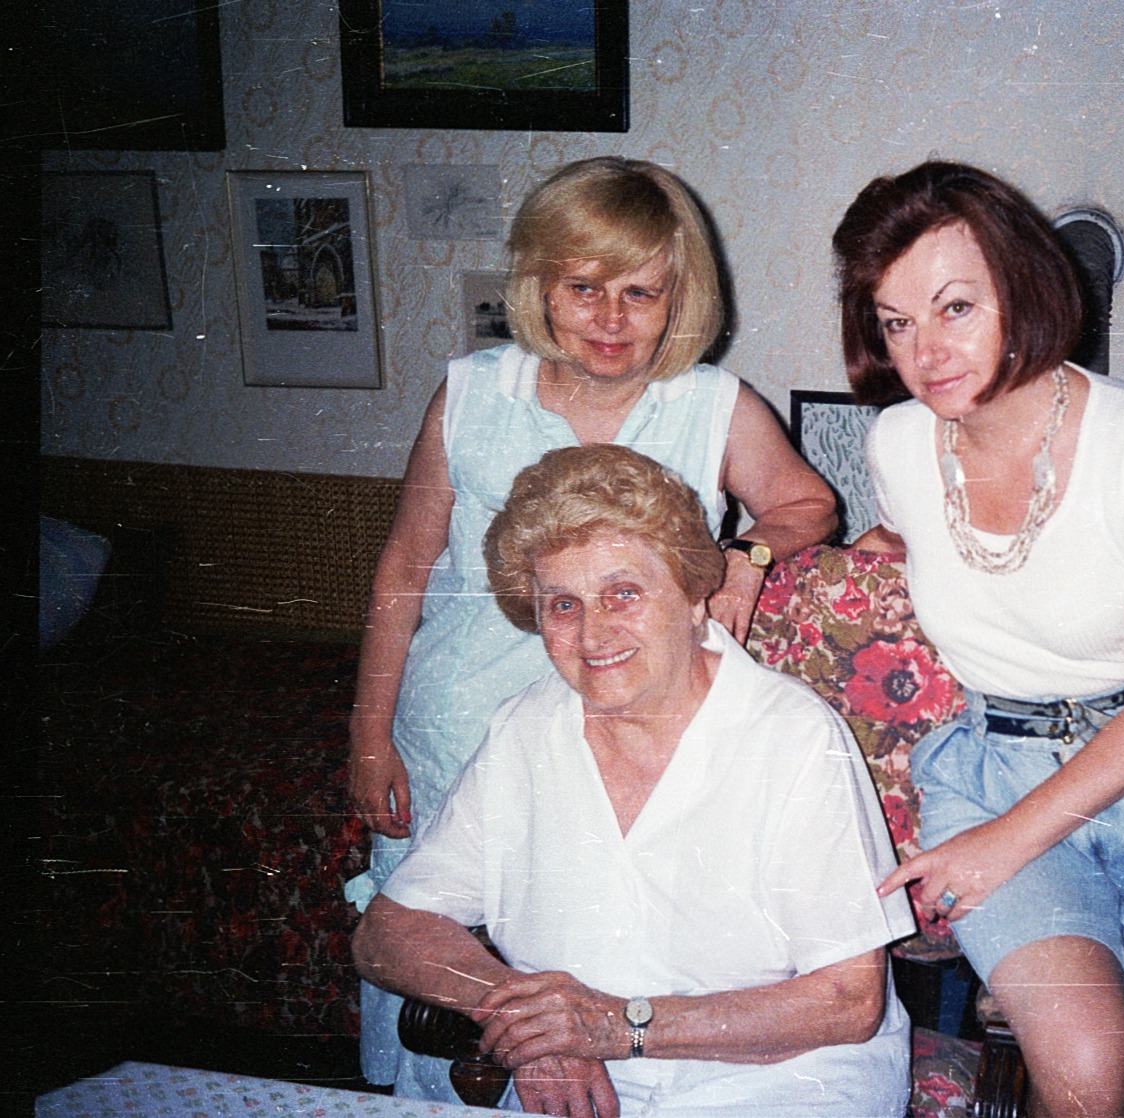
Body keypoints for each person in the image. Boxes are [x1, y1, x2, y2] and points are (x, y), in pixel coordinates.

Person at [345, 157, 836, 1092]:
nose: (612, 320)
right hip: (453, 734)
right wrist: (368, 734)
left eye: (641, 293)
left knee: (608, 936)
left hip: (619, 745)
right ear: (539, 287)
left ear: (680, 296)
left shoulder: (709, 406)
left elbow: (807, 504)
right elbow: (404, 570)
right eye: (585, 288)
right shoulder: (472, 395)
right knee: (433, 978)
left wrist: (746, 557)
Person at [833, 161, 1124, 1118]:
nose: (926, 351)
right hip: (992, 773)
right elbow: (924, 542)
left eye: (954, 307)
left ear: (1021, 287)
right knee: (1085, 1063)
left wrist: (997, 852)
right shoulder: (900, 443)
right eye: (896, 322)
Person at [353, 445, 916, 1116]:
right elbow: (386, 931)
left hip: (779, 1087)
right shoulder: (526, 731)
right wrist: (534, 1021)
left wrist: (619, 1026)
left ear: (692, 593)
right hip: (574, 1087)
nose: (594, 634)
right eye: (563, 605)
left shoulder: (791, 736)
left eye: (623, 593)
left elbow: (848, 1001)